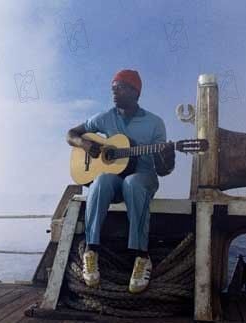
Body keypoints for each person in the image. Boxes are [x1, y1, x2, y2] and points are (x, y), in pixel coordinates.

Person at [66, 69, 175, 293]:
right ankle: (91, 249)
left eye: (121, 87)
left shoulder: (155, 123)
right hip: (115, 178)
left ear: (135, 92)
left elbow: (163, 171)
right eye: (113, 87)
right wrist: (85, 145)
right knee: (101, 180)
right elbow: (70, 134)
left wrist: (168, 156)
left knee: (132, 183)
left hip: (143, 177)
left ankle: (141, 257)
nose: (114, 92)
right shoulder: (105, 117)